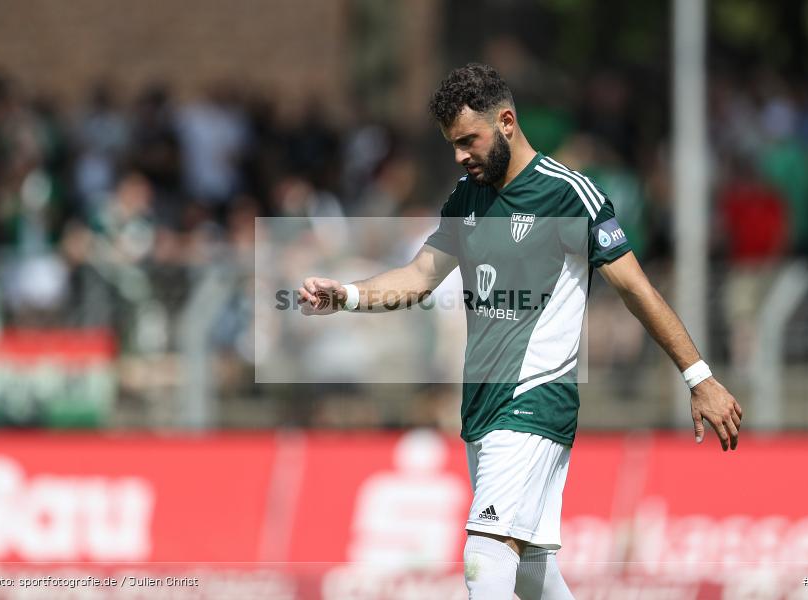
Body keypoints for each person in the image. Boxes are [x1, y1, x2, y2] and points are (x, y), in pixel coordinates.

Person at [298, 63, 742, 600]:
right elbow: (419, 277)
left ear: (507, 121)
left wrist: (700, 377)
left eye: (468, 140)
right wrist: (344, 294)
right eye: (452, 144)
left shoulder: (568, 194)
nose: (460, 155)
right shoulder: (468, 197)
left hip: (535, 398)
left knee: (484, 557)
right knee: (531, 571)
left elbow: (637, 290)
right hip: (483, 404)